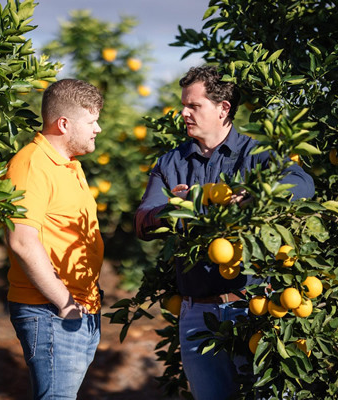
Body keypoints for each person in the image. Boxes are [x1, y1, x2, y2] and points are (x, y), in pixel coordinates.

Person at [135, 66, 315, 400]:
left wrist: (256, 195)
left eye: (194, 105)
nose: (184, 113)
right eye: (183, 105)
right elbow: (143, 221)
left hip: (254, 309)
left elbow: (303, 185)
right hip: (196, 314)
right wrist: (177, 209)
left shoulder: (257, 155)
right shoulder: (171, 163)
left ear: (223, 108)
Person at [4, 78, 104, 400]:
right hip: (50, 310)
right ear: (63, 124)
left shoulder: (70, 165)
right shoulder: (32, 164)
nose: (98, 129)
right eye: (91, 121)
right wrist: (65, 303)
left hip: (80, 307)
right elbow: (21, 240)